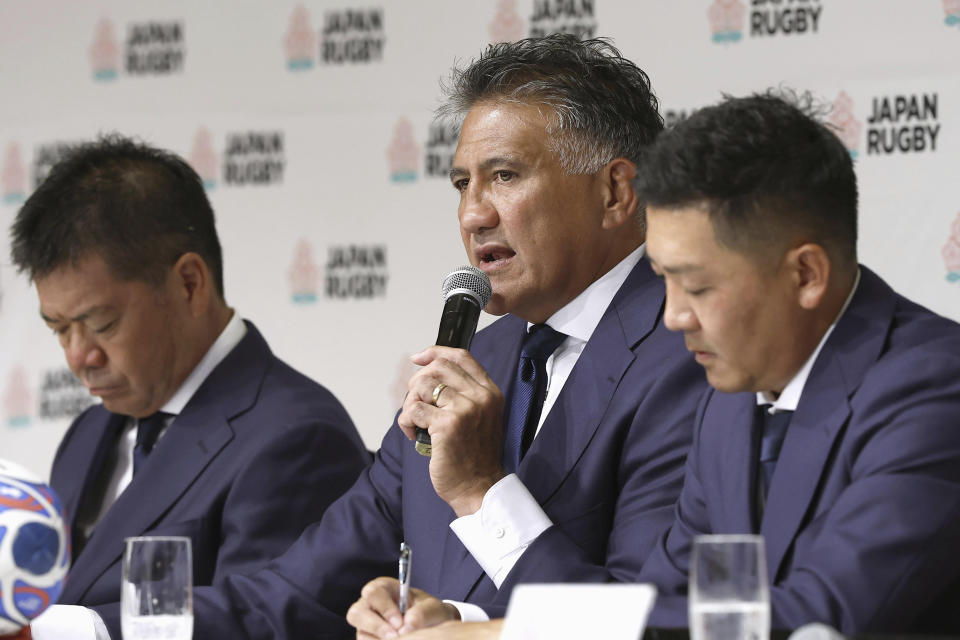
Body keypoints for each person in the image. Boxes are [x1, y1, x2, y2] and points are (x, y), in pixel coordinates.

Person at [188, 35, 707, 639]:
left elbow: (647, 623)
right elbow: (289, 593)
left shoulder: (694, 353)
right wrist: (81, 628)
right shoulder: (475, 359)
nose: (472, 215)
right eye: (462, 184)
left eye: (505, 176)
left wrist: (480, 493)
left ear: (615, 191)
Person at [8, 136, 371, 639]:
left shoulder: (297, 438)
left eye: (101, 324)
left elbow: (273, 622)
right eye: (59, 329)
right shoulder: (88, 433)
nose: (78, 358)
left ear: (189, 284)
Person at [634, 93, 960, 634]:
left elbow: (821, 617)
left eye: (697, 285)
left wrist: (530, 628)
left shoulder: (933, 388)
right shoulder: (728, 403)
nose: (674, 317)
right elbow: (680, 600)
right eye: (662, 279)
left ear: (807, 274)